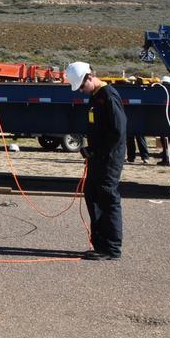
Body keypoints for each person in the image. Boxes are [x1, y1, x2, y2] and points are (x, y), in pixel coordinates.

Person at [66, 61, 126, 260]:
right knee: (92, 196)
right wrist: (90, 149)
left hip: (108, 158)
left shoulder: (109, 96)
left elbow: (118, 131)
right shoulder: (94, 96)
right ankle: (99, 244)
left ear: (90, 77)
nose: (81, 91)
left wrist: (98, 151)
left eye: (82, 86)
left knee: (107, 198)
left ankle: (112, 249)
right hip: (97, 156)